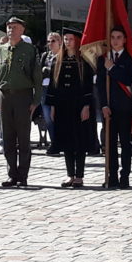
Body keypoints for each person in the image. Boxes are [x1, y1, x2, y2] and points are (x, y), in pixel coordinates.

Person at [0, 16, 43, 187]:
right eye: (8, 27)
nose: (10, 30)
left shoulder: (29, 50)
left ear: (22, 30)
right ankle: (11, 173)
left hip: (23, 95)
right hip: (4, 96)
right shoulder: (0, 50)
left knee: (23, 138)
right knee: (7, 137)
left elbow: (36, 76)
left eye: (14, 27)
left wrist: (36, 100)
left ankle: (23, 175)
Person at [44, 28, 93, 188]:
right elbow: (53, 85)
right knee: (66, 141)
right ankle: (69, 174)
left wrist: (86, 105)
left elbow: (87, 86)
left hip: (78, 106)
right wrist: (52, 106)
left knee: (79, 141)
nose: (67, 42)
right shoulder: (57, 60)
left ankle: (79, 175)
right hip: (62, 106)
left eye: (70, 39)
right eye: (65, 39)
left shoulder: (83, 61)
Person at [96, 26, 132, 189]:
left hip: (125, 107)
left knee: (126, 144)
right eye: (112, 37)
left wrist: (112, 68)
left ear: (125, 40)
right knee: (110, 143)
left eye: (119, 37)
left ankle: (124, 176)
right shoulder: (103, 58)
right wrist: (103, 105)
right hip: (109, 108)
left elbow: (128, 79)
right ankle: (112, 176)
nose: (115, 40)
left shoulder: (129, 58)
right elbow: (100, 84)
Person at [40, 31, 61, 155]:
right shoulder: (45, 56)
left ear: (59, 42)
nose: (50, 44)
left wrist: (48, 71)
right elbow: (39, 71)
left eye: (53, 41)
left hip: (58, 90)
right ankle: (54, 143)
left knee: (58, 118)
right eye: (49, 41)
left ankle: (61, 142)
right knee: (48, 118)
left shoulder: (62, 56)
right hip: (45, 90)